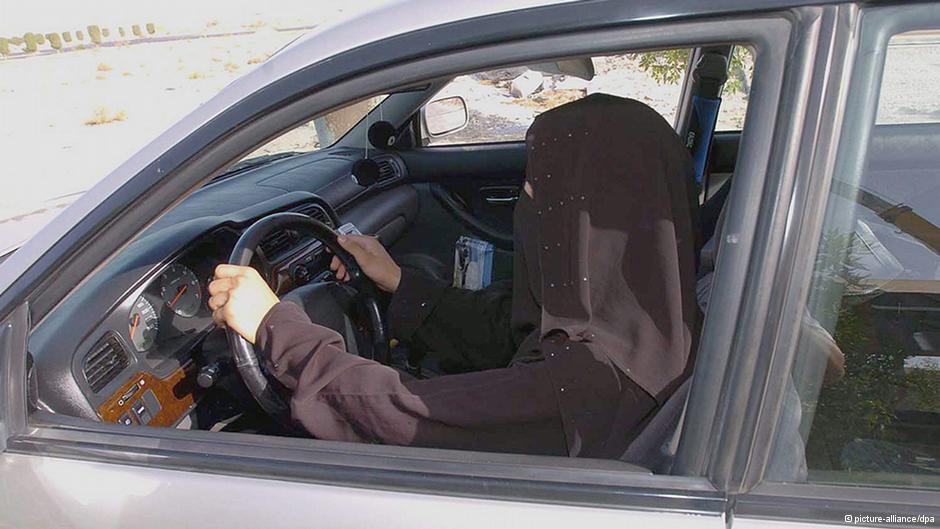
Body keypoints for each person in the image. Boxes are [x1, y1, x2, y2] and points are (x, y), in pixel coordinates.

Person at [208, 94, 699, 458]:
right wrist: (400, 283)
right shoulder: (650, 329)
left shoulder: (583, 389)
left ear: (581, 216)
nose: (527, 199)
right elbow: (513, 334)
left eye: (536, 187)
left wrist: (276, 326)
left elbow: (404, 415)